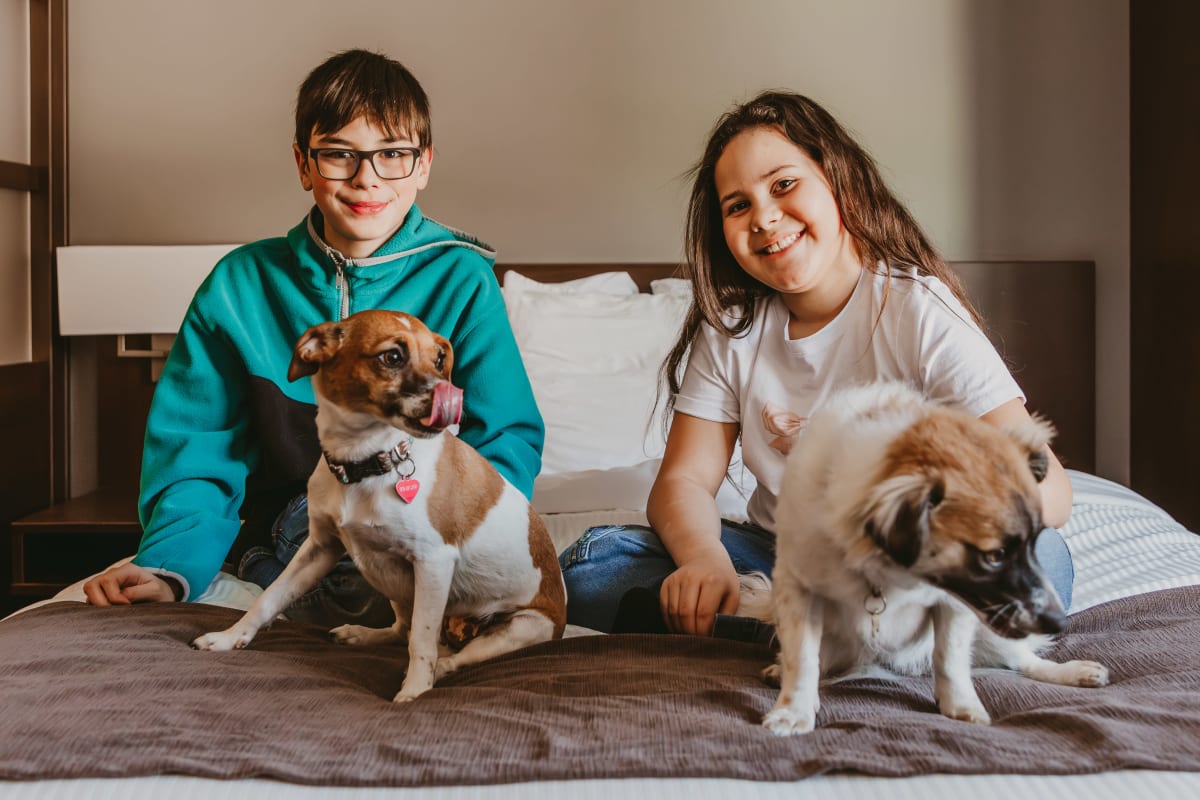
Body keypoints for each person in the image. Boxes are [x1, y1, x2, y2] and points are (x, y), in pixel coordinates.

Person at [558, 91, 1075, 637]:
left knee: (1046, 562)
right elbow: (683, 480)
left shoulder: (918, 309)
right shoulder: (734, 329)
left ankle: (792, 632)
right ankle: (847, 636)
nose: (764, 217)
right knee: (590, 568)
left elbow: (1053, 491)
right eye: (738, 205)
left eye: (783, 185)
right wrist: (703, 558)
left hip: (910, 564)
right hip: (783, 556)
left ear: (838, 181)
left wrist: (928, 541)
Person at [83, 49, 544, 624]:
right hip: (284, 536)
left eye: (393, 154)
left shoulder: (464, 279)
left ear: (423, 165)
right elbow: (197, 447)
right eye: (339, 155)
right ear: (304, 164)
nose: (366, 177)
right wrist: (168, 565)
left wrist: (472, 560)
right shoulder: (238, 286)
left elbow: (502, 440)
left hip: (418, 527)